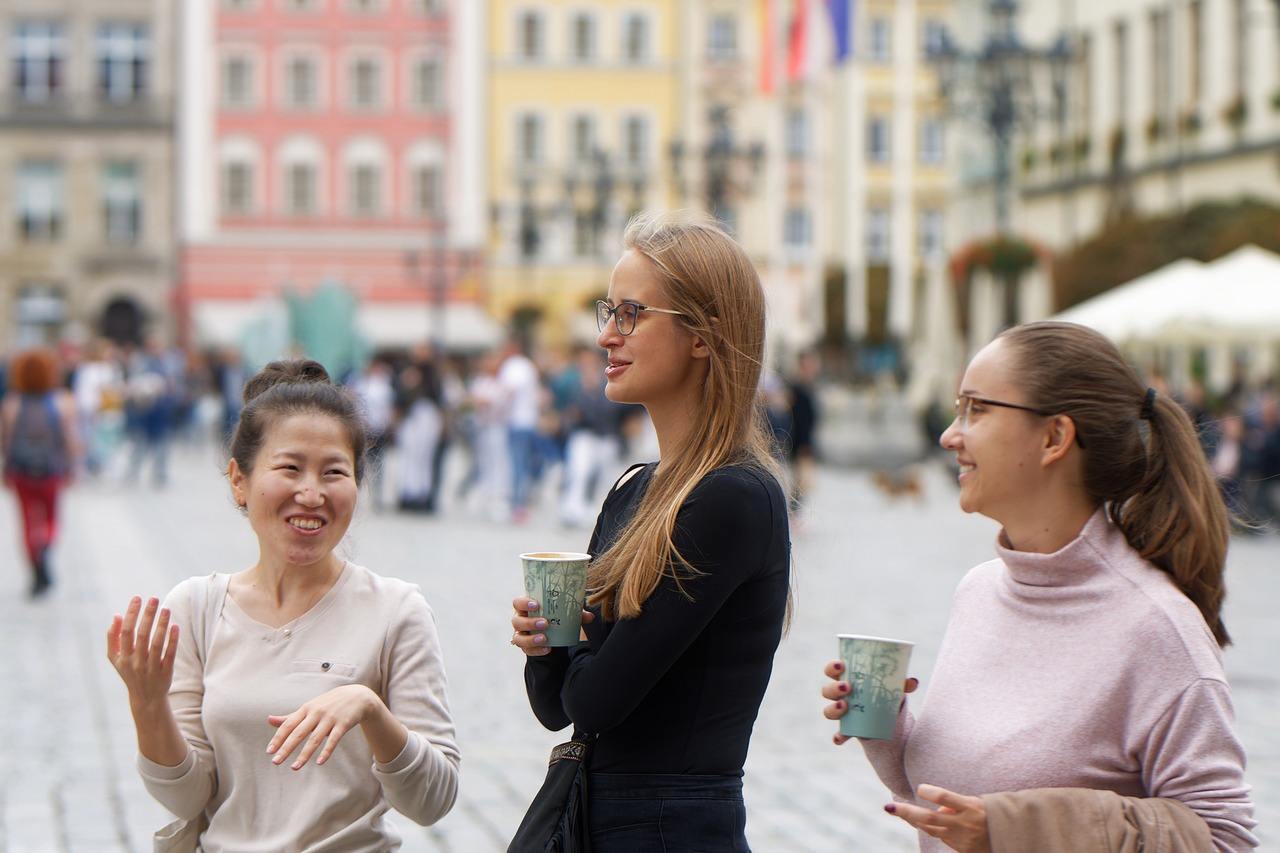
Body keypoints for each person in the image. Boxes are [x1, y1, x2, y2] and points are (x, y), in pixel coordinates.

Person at [821, 321, 1257, 852]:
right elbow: (958, 812)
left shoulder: (1157, 629)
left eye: (976, 409)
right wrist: (882, 726)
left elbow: (1224, 839)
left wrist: (1023, 826)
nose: (949, 435)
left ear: (1054, 437)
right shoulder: (980, 591)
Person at [510, 210, 791, 851]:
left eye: (631, 313)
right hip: (605, 819)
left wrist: (573, 646)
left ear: (703, 334)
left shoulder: (733, 497)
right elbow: (558, 707)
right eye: (607, 311)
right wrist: (544, 645)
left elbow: (596, 704)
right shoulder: (632, 489)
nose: (607, 334)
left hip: (675, 829)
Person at [106, 359, 460, 849]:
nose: (312, 494)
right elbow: (188, 799)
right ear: (239, 481)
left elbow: (432, 801)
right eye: (290, 468)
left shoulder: (397, 610)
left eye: (334, 472)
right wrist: (146, 704)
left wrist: (371, 710)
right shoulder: (196, 608)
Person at [1, 347, 80, 597]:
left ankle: (34, 561)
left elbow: (6, 441)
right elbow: (68, 440)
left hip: (22, 471)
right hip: (50, 470)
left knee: (26, 521)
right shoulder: (62, 401)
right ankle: (45, 543)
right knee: (52, 518)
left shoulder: (12, 403)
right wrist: (71, 467)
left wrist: (6, 469)